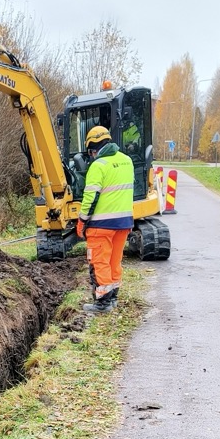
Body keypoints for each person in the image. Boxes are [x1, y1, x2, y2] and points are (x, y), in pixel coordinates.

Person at [76, 125, 135, 315]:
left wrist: (82, 220)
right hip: (124, 223)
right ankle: (113, 298)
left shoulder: (98, 165)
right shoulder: (127, 161)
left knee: (99, 262)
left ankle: (102, 304)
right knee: (114, 262)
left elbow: (90, 198)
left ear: (93, 146)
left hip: (101, 226)